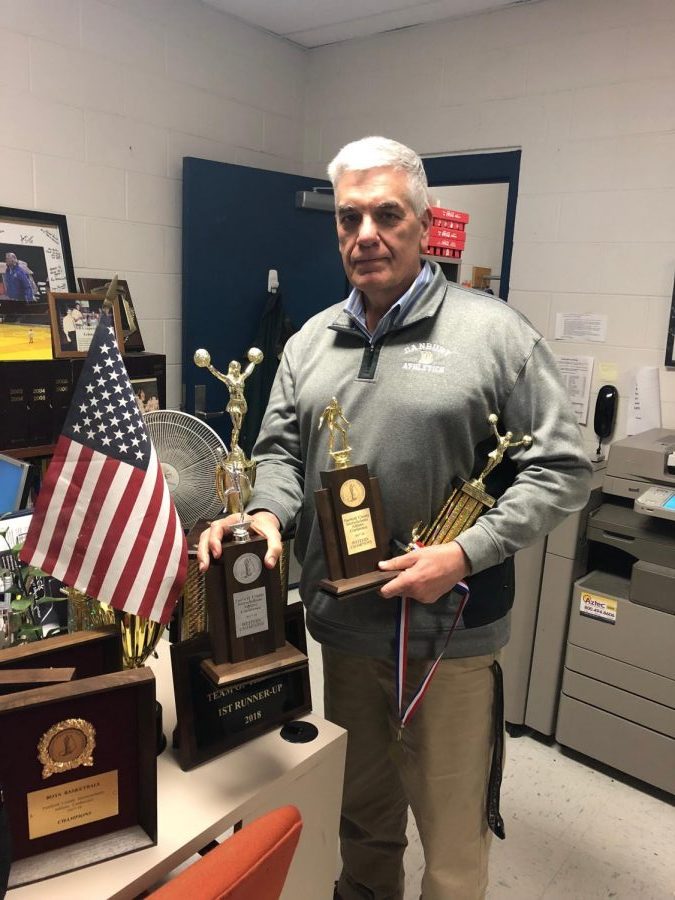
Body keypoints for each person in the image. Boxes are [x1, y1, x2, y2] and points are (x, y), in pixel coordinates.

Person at [198, 136, 592, 900]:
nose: (365, 235)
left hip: (449, 635)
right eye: (349, 219)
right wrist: (270, 518)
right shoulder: (310, 342)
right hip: (344, 635)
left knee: (450, 838)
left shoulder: (494, 334)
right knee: (363, 820)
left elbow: (563, 466)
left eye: (385, 215)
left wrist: (468, 552)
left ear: (422, 222)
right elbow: (278, 454)